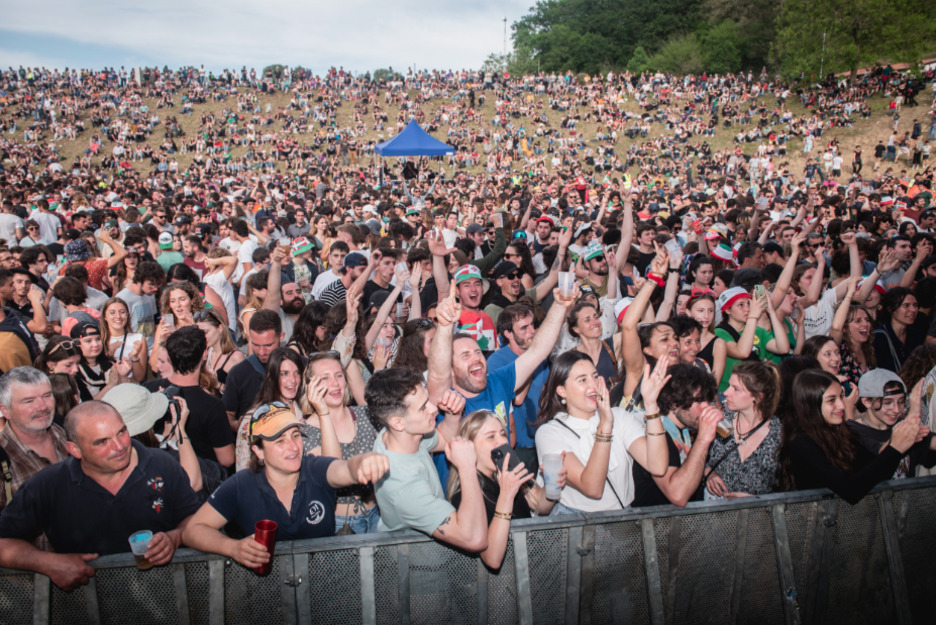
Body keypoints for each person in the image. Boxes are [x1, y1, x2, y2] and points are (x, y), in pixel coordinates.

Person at [0, 401, 201, 590]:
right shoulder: (47, 485)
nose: (119, 446)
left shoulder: (163, 464)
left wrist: (174, 538)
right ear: (74, 449)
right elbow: (4, 543)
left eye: (121, 432)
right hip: (87, 609)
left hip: (167, 598)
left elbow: (194, 521)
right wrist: (47, 562)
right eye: (102, 441)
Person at [181, 402, 389, 568]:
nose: (292, 447)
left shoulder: (315, 469)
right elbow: (192, 530)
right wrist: (233, 547)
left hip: (326, 592)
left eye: (295, 435)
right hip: (270, 601)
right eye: (279, 441)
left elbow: (344, 469)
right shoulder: (241, 485)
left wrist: (363, 461)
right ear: (259, 451)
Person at [426, 278, 575, 485]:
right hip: (461, 504)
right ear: (450, 369)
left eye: (478, 352)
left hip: (505, 490)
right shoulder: (447, 400)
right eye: (465, 355)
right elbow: (436, 375)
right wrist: (444, 326)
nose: (476, 358)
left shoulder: (498, 382)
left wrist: (559, 307)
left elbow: (537, 351)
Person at [366, 367, 488, 552]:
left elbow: (443, 438)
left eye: (427, 400)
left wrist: (453, 414)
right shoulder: (404, 488)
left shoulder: (397, 435)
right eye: (423, 407)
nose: (433, 409)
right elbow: (475, 539)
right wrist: (467, 467)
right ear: (398, 423)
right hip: (423, 571)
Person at [534, 350, 669, 514]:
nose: (593, 385)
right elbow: (592, 488)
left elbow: (658, 466)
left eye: (595, 376)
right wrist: (605, 426)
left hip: (623, 521)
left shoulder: (619, 416)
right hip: (576, 525)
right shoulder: (550, 433)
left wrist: (651, 404)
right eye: (582, 380)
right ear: (561, 390)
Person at [778, 369, 925, 504]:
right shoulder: (801, 443)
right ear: (810, 405)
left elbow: (876, 470)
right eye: (831, 400)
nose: (842, 405)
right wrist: (895, 448)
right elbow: (850, 490)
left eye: (841, 397)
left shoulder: (841, 433)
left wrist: (902, 442)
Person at [447, 410, 564, 569]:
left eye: (503, 434)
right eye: (491, 436)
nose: (502, 441)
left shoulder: (507, 474)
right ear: (470, 447)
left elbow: (540, 506)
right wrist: (506, 496)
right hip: (499, 586)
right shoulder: (466, 495)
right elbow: (492, 559)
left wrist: (552, 484)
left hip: (529, 570)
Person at [300, 351, 380, 533]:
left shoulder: (365, 414)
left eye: (338, 375)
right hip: (338, 523)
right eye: (324, 378)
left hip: (376, 515)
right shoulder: (304, 431)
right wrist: (323, 412)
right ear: (310, 387)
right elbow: (332, 468)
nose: (335, 383)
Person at [631, 364, 723, 507]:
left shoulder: (681, 430)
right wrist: (703, 439)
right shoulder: (659, 436)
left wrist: (706, 470)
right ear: (673, 403)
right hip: (653, 525)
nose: (706, 406)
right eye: (698, 400)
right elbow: (677, 495)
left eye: (708, 400)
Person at [706, 361, 782, 498]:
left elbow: (788, 488)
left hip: (758, 516)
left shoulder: (778, 435)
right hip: (715, 512)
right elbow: (700, 456)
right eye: (729, 386)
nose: (726, 392)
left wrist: (756, 501)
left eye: (736, 389)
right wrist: (709, 472)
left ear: (758, 397)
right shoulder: (722, 421)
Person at [0, 368, 68, 520]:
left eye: (47, 396)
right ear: (5, 410)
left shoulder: (69, 431)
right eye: (29, 401)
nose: (43, 407)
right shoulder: (3, 457)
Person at [850, 369, 936, 478]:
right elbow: (881, 455)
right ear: (867, 401)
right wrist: (912, 415)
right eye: (888, 402)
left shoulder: (901, 425)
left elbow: (931, 441)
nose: (896, 409)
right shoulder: (852, 430)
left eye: (901, 402)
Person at [222, 309, 283, 427]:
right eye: (255, 344)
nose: (261, 352)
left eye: (268, 345)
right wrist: (240, 426)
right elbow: (227, 415)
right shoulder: (238, 373)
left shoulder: (299, 365)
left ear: (281, 336)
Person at [196, 307, 245, 390]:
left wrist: (217, 384)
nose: (202, 337)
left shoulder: (236, 357)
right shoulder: (205, 353)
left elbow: (243, 392)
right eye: (199, 333)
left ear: (220, 328)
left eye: (205, 332)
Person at [99, 297, 146, 382]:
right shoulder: (98, 341)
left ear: (127, 315)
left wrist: (134, 357)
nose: (118, 316)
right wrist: (109, 355)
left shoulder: (138, 339)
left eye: (122, 312)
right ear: (105, 316)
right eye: (112, 313)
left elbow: (139, 378)